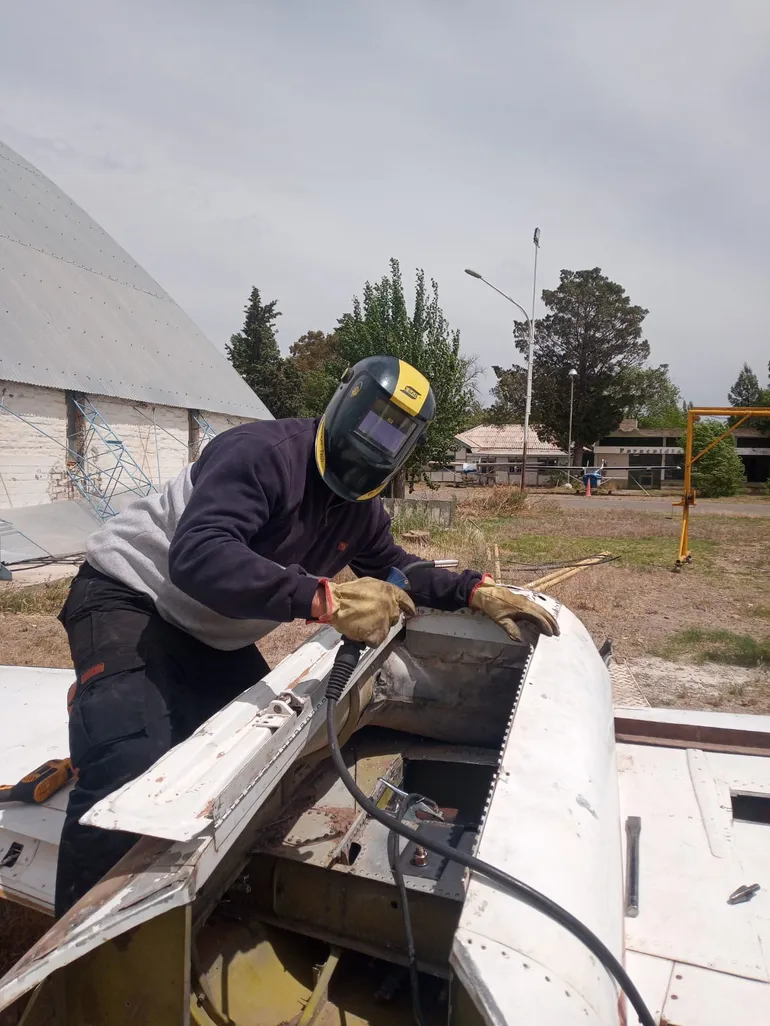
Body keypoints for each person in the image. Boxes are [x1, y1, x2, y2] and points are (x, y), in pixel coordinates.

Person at [56, 355, 558, 916]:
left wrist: (472, 589)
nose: (377, 443)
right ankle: (71, 972)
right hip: (131, 597)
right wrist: (322, 598)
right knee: (130, 763)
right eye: (374, 421)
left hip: (213, 636)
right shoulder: (259, 455)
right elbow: (198, 556)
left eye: (396, 434)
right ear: (345, 403)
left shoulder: (359, 509)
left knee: (256, 755)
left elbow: (391, 566)